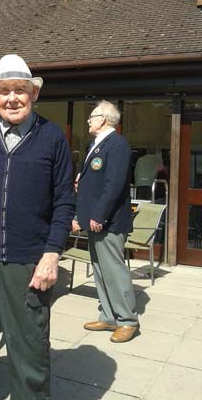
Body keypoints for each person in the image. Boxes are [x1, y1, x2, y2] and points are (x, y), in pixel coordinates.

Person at [0, 54, 75, 400]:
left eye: (20, 90)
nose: (12, 99)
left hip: (28, 262)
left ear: (33, 94)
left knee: (30, 352)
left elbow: (64, 201)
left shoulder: (52, 137)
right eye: (4, 91)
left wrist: (51, 255)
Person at [74, 100, 139, 343]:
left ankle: (127, 320)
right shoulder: (96, 145)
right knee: (100, 271)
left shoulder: (117, 144)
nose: (88, 120)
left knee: (113, 270)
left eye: (92, 116)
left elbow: (114, 184)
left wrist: (99, 215)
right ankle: (109, 316)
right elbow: (94, 182)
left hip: (107, 221)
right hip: (94, 220)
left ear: (103, 119)